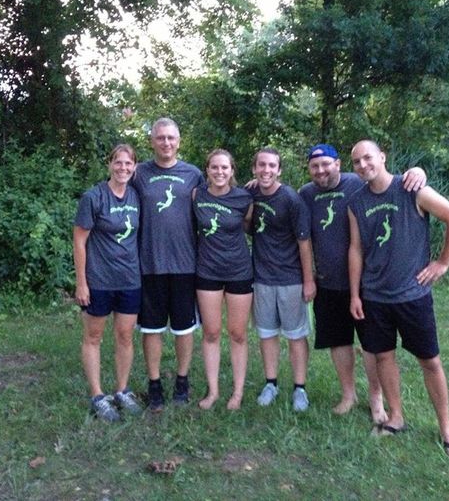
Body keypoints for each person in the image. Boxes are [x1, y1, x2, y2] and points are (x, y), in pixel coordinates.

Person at [347, 140, 449, 459]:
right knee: (384, 357)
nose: (362, 165)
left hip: (412, 295)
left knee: (430, 361)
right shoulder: (355, 201)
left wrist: (442, 263)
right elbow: (356, 249)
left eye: (367, 158)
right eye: (356, 161)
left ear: (382, 157)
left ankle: (446, 429)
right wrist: (356, 293)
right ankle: (396, 417)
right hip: (375, 297)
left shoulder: (412, 188)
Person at [299, 143, 426, 422]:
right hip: (328, 283)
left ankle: (376, 399)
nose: (321, 170)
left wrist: (417, 172)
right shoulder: (306, 194)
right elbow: (303, 238)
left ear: (339, 164)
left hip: (367, 283)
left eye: (326, 164)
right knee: (338, 341)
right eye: (314, 166)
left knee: (372, 345)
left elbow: (391, 180)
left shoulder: (358, 182)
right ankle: (348, 394)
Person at [132, 118, 204, 411]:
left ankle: (182, 382)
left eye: (171, 138)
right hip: (149, 263)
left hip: (186, 263)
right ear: (151, 141)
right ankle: (154, 384)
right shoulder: (138, 174)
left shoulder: (194, 174)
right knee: (151, 329)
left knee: (183, 329)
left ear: (179, 140)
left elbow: (220, 194)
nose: (166, 143)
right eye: (160, 138)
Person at [73, 143, 143, 422]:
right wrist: (81, 282)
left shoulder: (136, 197)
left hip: (129, 278)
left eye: (128, 164)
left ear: (134, 167)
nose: (123, 168)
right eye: (118, 162)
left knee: (125, 336)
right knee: (93, 337)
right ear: (110, 165)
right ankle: (98, 396)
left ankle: (122, 391)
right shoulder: (94, 197)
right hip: (99, 279)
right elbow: (79, 240)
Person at [250, 147, 316, 412]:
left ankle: (300, 388)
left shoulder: (291, 199)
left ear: (279, 170)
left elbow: (304, 242)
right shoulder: (251, 192)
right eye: (261, 165)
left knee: (295, 335)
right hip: (261, 278)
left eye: (272, 166)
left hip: (290, 278)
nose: (266, 170)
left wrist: (308, 280)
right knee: (266, 334)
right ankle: (271, 383)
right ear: (254, 168)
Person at [193, 149, 254, 410]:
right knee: (211, 332)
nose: (219, 172)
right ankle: (214, 391)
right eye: (214, 167)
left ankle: (238, 393)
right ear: (206, 170)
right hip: (207, 271)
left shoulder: (245, 198)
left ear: (232, 171)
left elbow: (249, 226)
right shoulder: (197, 195)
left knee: (238, 334)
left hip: (239, 271)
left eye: (224, 168)